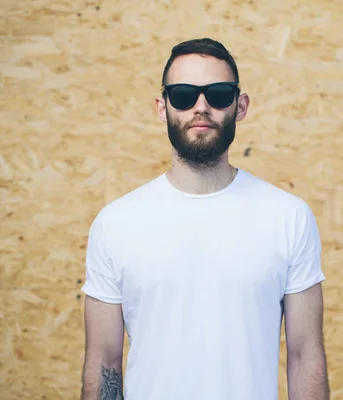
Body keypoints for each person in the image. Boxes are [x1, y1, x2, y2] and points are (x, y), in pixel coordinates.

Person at [80, 38, 330, 400]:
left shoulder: (288, 217)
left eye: (218, 94)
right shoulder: (116, 223)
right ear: (162, 107)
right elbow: (104, 362)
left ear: (240, 106)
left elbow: (306, 356)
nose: (201, 107)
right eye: (183, 95)